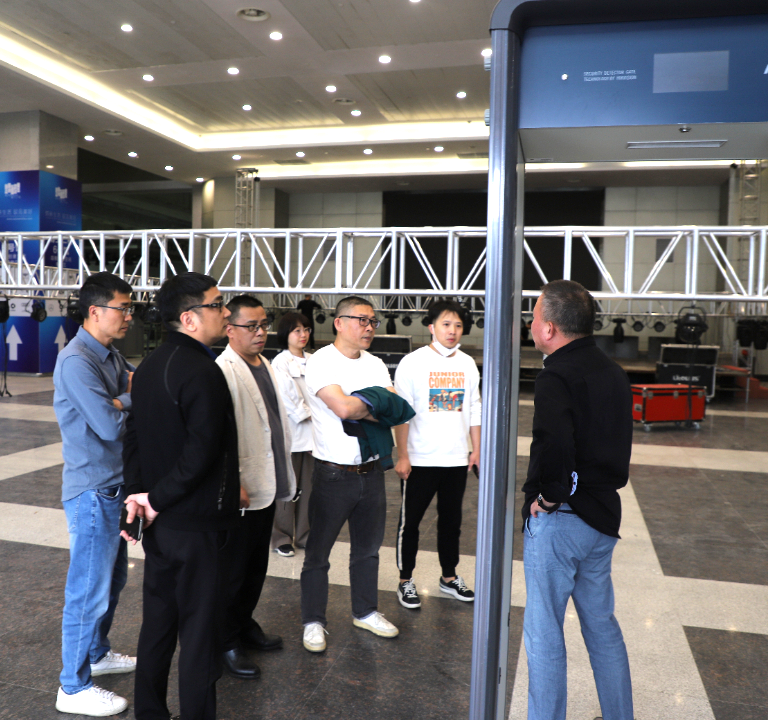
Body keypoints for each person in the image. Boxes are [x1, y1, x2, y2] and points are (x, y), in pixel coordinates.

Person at [122, 272, 240, 720]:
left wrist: (139, 498)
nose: (225, 312)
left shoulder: (150, 365)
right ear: (189, 318)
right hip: (195, 524)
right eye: (217, 304)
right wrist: (154, 499)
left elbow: (133, 436)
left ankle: (150, 712)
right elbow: (202, 452)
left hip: (161, 525)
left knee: (158, 624)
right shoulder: (203, 370)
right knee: (198, 634)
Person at [522, 280, 634, 720]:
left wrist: (549, 498)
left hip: (563, 522)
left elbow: (555, 445)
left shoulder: (555, 375)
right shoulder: (613, 371)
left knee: (544, 632)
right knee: (602, 628)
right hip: (602, 518)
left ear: (549, 328)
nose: (531, 324)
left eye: (534, 316)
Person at [53, 272, 136, 717]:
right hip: (92, 490)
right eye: (123, 308)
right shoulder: (76, 360)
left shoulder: (111, 354)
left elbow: (132, 390)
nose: (129, 316)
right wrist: (125, 401)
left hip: (114, 485)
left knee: (112, 581)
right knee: (88, 590)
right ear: (95, 311)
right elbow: (108, 425)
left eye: (130, 308)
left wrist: (121, 398)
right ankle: (72, 685)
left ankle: (97, 653)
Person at [300, 296, 402, 653]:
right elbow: (342, 408)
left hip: (372, 471)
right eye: (362, 320)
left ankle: (365, 611)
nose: (369, 327)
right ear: (339, 323)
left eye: (373, 321)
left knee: (368, 550)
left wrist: (363, 406)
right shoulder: (321, 361)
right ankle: (313, 620)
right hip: (333, 474)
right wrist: (371, 405)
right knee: (318, 553)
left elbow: (394, 409)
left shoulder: (375, 363)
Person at [215, 295, 295, 679]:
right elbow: (220, 435)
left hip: (269, 479)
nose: (261, 332)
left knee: (256, 566)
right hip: (244, 487)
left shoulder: (266, 364)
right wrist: (234, 483)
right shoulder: (223, 370)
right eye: (252, 326)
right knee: (233, 570)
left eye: (264, 324)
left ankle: (244, 623)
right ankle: (225, 640)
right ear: (229, 329)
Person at [393, 299, 481, 609]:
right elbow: (401, 413)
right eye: (446, 324)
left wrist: (476, 450)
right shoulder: (412, 362)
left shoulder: (467, 364)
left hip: (456, 459)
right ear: (431, 327)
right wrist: (402, 455)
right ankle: (405, 579)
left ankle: (449, 577)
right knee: (411, 524)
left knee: (451, 522)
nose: (452, 330)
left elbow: (474, 408)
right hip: (420, 459)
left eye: (458, 325)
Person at [270, 311, 314, 557]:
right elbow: (288, 396)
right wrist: (310, 414)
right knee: (288, 489)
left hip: (315, 437)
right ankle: (282, 537)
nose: (303, 334)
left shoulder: (316, 360)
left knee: (309, 489)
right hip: (293, 435)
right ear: (285, 334)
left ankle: (306, 535)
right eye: (297, 330)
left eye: (306, 329)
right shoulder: (281, 362)